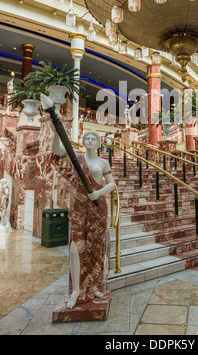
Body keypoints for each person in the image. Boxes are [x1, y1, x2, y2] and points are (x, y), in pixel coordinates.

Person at [52, 129, 115, 310]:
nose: (89, 140)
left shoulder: (103, 162)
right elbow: (56, 149)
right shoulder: (76, 158)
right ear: (83, 141)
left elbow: (111, 184)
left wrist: (98, 193)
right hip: (79, 206)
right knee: (75, 247)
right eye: (86, 137)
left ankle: (94, 285)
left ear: (98, 143)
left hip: (98, 207)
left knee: (96, 248)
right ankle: (76, 290)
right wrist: (56, 131)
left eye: (93, 138)